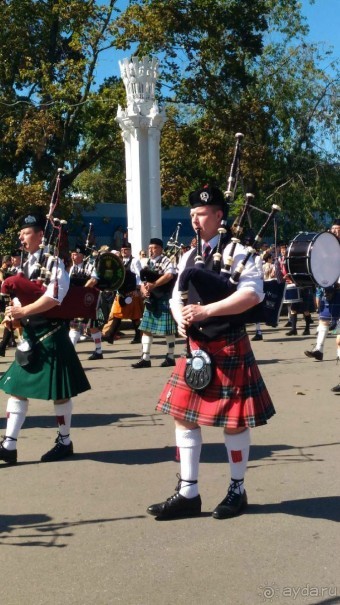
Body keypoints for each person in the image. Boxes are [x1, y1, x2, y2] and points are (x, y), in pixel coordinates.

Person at [146, 185, 275, 520]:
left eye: (201, 213)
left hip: (228, 343)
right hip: (197, 347)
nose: (194, 219)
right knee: (183, 416)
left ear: (219, 215)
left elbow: (252, 294)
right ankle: (188, 492)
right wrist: (182, 319)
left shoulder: (241, 252)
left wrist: (207, 311)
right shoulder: (189, 255)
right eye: (191, 214)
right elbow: (177, 294)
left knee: (232, 423)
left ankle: (237, 489)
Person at [0, 212, 91, 465]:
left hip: (51, 333)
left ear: (40, 235)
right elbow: (20, 296)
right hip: (30, 333)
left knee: (59, 394)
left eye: (26, 232)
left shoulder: (54, 262)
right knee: (16, 390)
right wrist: (13, 313)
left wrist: (24, 311)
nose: (21, 236)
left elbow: (55, 296)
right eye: (21, 232)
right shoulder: (22, 264)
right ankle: (9, 444)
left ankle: (64, 441)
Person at [132, 238, 177, 368]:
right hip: (151, 299)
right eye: (150, 248)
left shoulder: (166, 261)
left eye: (155, 248)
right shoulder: (146, 263)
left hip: (163, 297)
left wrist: (154, 285)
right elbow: (142, 281)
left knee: (168, 330)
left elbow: (169, 275)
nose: (151, 250)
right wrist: (143, 290)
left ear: (161, 249)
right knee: (145, 329)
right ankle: (145, 358)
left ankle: (170, 356)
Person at [304, 218, 340, 361]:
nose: (335, 231)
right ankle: (319, 348)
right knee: (324, 319)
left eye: (338, 229)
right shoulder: (327, 246)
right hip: (330, 288)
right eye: (333, 229)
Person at [102, 242, 144, 344]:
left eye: (126, 250)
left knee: (134, 316)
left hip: (131, 293)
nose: (124, 252)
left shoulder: (135, 261)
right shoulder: (119, 261)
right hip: (121, 292)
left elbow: (140, 276)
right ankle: (110, 335)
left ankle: (137, 336)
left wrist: (137, 290)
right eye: (122, 250)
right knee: (117, 314)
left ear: (130, 250)